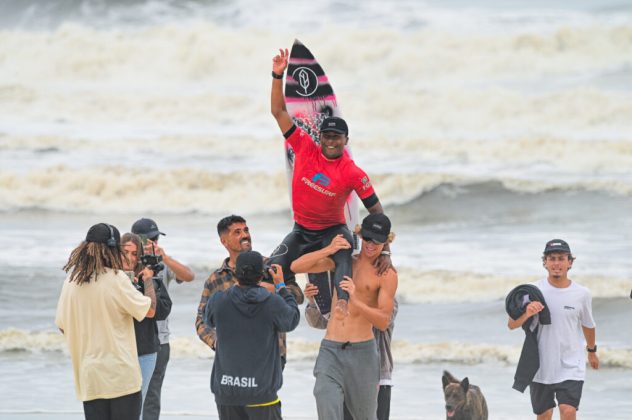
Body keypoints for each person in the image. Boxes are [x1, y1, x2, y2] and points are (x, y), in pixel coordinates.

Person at [269, 47, 392, 315]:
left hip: (333, 230)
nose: (332, 141)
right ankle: (295, 298)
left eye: (337, 137)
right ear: (321, 137)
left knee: (344, 259)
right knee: (272, 268)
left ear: (346, 141)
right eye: (327, 136)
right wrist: (277, 76)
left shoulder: (352, 172)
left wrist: (385, 251)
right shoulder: (304, 146)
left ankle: (342, 307)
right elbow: (278, 112)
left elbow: (377, 213)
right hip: (301, 231)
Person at [290, 213, 398, 420]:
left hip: (363, 354)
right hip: (330, 349)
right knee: (324, 397)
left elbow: (384, 321)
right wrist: (329, 249)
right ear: (359, 234)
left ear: (386, 241)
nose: (371, 244)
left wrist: (355, 300)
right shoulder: (343, 262)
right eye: (367, 238)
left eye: (377, 241)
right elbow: (296, 266)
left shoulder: (387, 274)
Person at [55, 223, 155, 420]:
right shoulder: (116, 279)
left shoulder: (71, 282)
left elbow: (62, 325)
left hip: (90, 377)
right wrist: (149, 281)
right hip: (121, 378)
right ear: (112, 249)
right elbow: (150, 310)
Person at [195, 215, 303, 368]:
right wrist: (219, 344)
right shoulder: (215, 279)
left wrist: (273, 288)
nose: (245, 235)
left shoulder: (272, 266)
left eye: (246, 230)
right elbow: (201, 320)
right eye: (237, 232)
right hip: (234, 357)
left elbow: (298, 296)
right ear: (224, 241)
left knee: (269, 393)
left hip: (271, 355)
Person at [507, 239, 599, 420]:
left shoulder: (582, 293)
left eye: (561, 258)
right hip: (540, 365)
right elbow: (512, 324)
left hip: (571, 363)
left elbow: (588, 324)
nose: (556, 263)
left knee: (568, 411)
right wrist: (527, 312)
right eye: (552, 258)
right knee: (544, 415)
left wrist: (591, 351)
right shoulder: (532, 291)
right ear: (545, 262)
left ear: (569, 262)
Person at [204, 250, 300, 419]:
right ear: (261, 275)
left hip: (226, 392)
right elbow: (291, 320)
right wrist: (281, 287)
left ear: (236, 273)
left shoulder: (219, 300)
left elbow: (208, 320)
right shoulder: (272, 302)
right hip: (261, 392)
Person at [131, 217, 195, 420]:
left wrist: (165, 258)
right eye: (150, 239)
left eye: (156, 238)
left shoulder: (161, 262)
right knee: (126, 395)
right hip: (129, 338)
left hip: (160, 339)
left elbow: (189, 276)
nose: (155, 243)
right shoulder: (126, 263)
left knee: (151, 395)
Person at [304, 284, 398, 420]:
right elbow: (318, 322)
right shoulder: (344, 294)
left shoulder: (386, 295)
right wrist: (313, 301)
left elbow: (383, 320)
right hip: (342, 372)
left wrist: (355, 298)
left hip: (378, 374)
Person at [121, 233, 173, 419]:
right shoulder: (111, 279)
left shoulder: (149, 275)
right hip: (119, 350)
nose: (129, 258)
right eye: (125, 252)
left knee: (139, 401)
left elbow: (163, 311)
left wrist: (148, 281)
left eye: (135, 253)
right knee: (120, 403)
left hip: (145, 350)